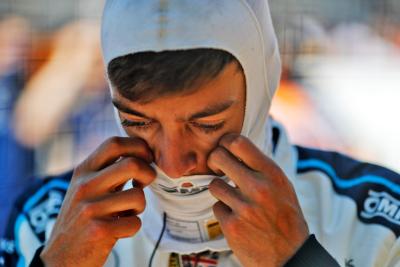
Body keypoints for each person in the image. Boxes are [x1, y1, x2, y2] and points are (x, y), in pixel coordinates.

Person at [1, 0, 399, 266]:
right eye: (138, 123)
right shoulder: (44, 224)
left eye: (207, 125)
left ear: (260, 88)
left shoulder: (375, 220)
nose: (174, 165)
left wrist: (300, 259)